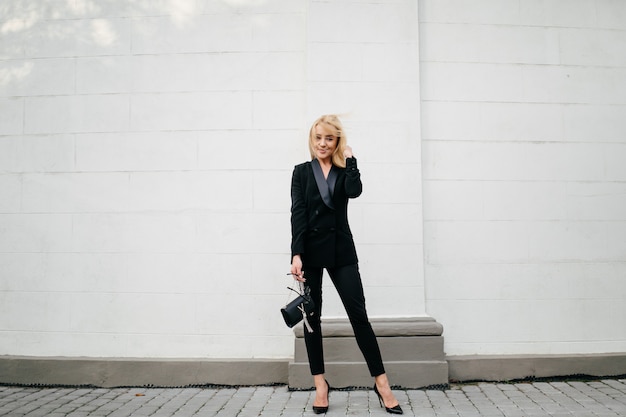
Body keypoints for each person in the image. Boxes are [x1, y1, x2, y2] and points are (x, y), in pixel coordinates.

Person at [289, 115, 403, 415]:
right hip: (310, 253)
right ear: (311, 140)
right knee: (312, 321)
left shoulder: (343, 171)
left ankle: (382, 384)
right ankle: (320, 386)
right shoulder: (301, 172)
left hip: (341, 250)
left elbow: (354, 192)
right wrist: (296, 254)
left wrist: (351, 161)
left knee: (359, 316)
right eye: (318, 138)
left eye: (329, 138)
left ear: (337, 141)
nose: (322, 144)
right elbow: (298, 213)